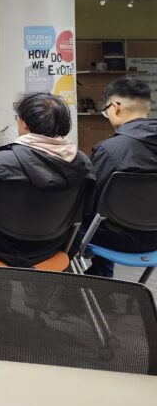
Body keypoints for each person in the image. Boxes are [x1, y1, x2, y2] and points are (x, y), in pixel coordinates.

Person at [0, 92, 94, 267]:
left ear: (24, 124)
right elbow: (86, 210)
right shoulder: (82, 162)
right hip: (54, 246)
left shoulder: (0, 162)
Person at [82, 78, 157, 276]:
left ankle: (99, 285)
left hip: (115, 240)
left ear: (115, 107)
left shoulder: (110, 150)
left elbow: (90, 202)